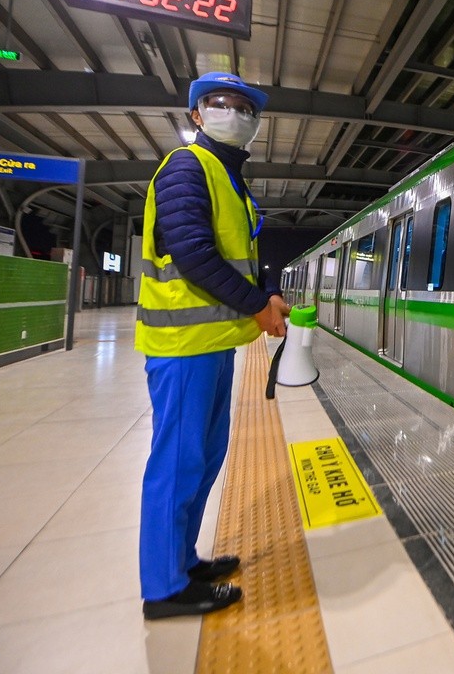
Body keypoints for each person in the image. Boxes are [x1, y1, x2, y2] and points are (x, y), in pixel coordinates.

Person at [135, 72, 290, 620]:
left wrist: (266, 292)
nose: (236, 113)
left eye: (246, 107)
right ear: (197, 116)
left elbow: (239, 255)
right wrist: (258, 307)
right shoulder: (187, 167)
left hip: (213, 341)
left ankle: (184, 561)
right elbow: (196, 256)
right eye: (221, 103)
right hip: (183, 345)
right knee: (177, 463)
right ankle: (164, 588)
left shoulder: (229, 178)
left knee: (203, 458)